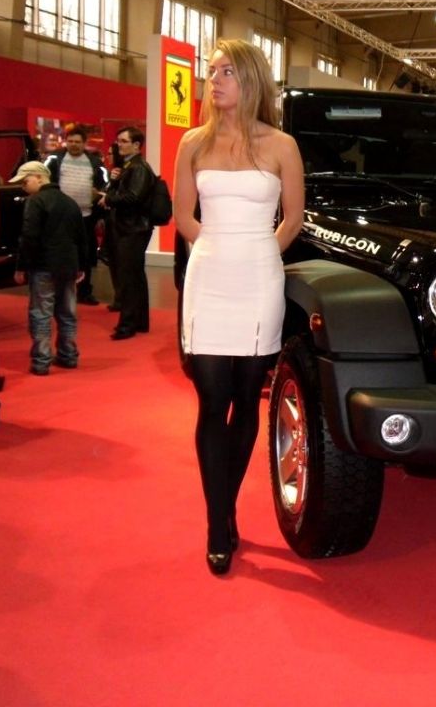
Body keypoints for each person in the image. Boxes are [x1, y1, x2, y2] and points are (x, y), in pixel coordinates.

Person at [174, 38, 304, 576]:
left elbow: (293, 218)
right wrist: (216, 247)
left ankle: (224, 509)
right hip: (209, 278)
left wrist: (260, 251)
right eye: (211, 72)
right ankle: (217, 522)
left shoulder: (282, 145)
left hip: (258, 279)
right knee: (211, 401)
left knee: (247, 400)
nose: (214, 80)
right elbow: (184, 216)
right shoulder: (192, 143)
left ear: (250, 79)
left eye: (226, 71)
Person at [11, 161, 88, 375]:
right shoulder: (69, 202)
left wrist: (21, 266)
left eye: (25, 181)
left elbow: (29, 236)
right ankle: (68, 355)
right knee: (67, 312)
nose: (23, 186)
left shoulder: (35, 202)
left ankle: (41, 360)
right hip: (68, 265)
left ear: (39, 177)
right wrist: (82, 265)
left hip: (44, 265)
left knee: (41, 313)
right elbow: (82, 237)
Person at [101, 126, 154, 340]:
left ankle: (127, 325)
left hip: (132, 228)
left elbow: (133, 197)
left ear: (136, 145)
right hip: (130, 227)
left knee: (129, 277)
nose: (119, 145)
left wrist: (109, 198)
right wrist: (114, 182)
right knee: (134, 276)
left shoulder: (138, 167)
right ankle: (138, 322)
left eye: (123, 141)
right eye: (119, 141)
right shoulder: (129, 166)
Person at [46, 124, 107, 305]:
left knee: (85, 255)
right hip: (60, 217)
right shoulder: (54, 159)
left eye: (77, 142)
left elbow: (105, 184)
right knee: (60, 254)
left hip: (86, 217)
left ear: (84, 143)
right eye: (70, 141)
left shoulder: (95, 162)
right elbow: (44, 181)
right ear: (66, 141)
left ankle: (84, 292)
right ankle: (58, 291)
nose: (73, 144)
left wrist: (99, 195)